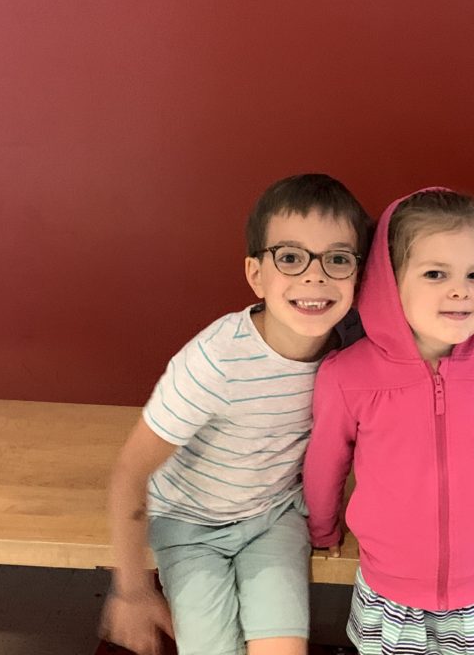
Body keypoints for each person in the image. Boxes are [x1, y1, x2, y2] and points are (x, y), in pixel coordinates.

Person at [100, 173, 371, 655]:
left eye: (337, 259)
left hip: (274, 516)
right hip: (189, 523)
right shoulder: (215, 361)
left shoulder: (353, 341)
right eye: (291, 257)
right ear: (256, 274)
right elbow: (130, 471)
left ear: (359, 274)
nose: (315, 276)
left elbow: (434, 308)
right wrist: (133, 590)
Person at [304, 188, 474, 655]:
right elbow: (325, 463)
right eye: (435, 273)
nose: (460, 290)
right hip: (391, 592)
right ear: (388, 282)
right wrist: (323, 531)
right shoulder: (346, 375)